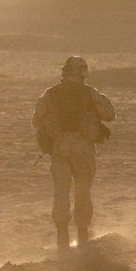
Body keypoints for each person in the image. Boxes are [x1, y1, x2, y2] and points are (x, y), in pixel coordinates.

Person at [31, 56, 115, 252]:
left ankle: (62, 237)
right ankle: (83, 236)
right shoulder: (90, 94)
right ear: (83, 72)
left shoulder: (50, 94)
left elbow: (36, 120)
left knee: (61, 192)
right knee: (82, 191)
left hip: (59, 149)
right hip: (83, 149)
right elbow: (110, 114)